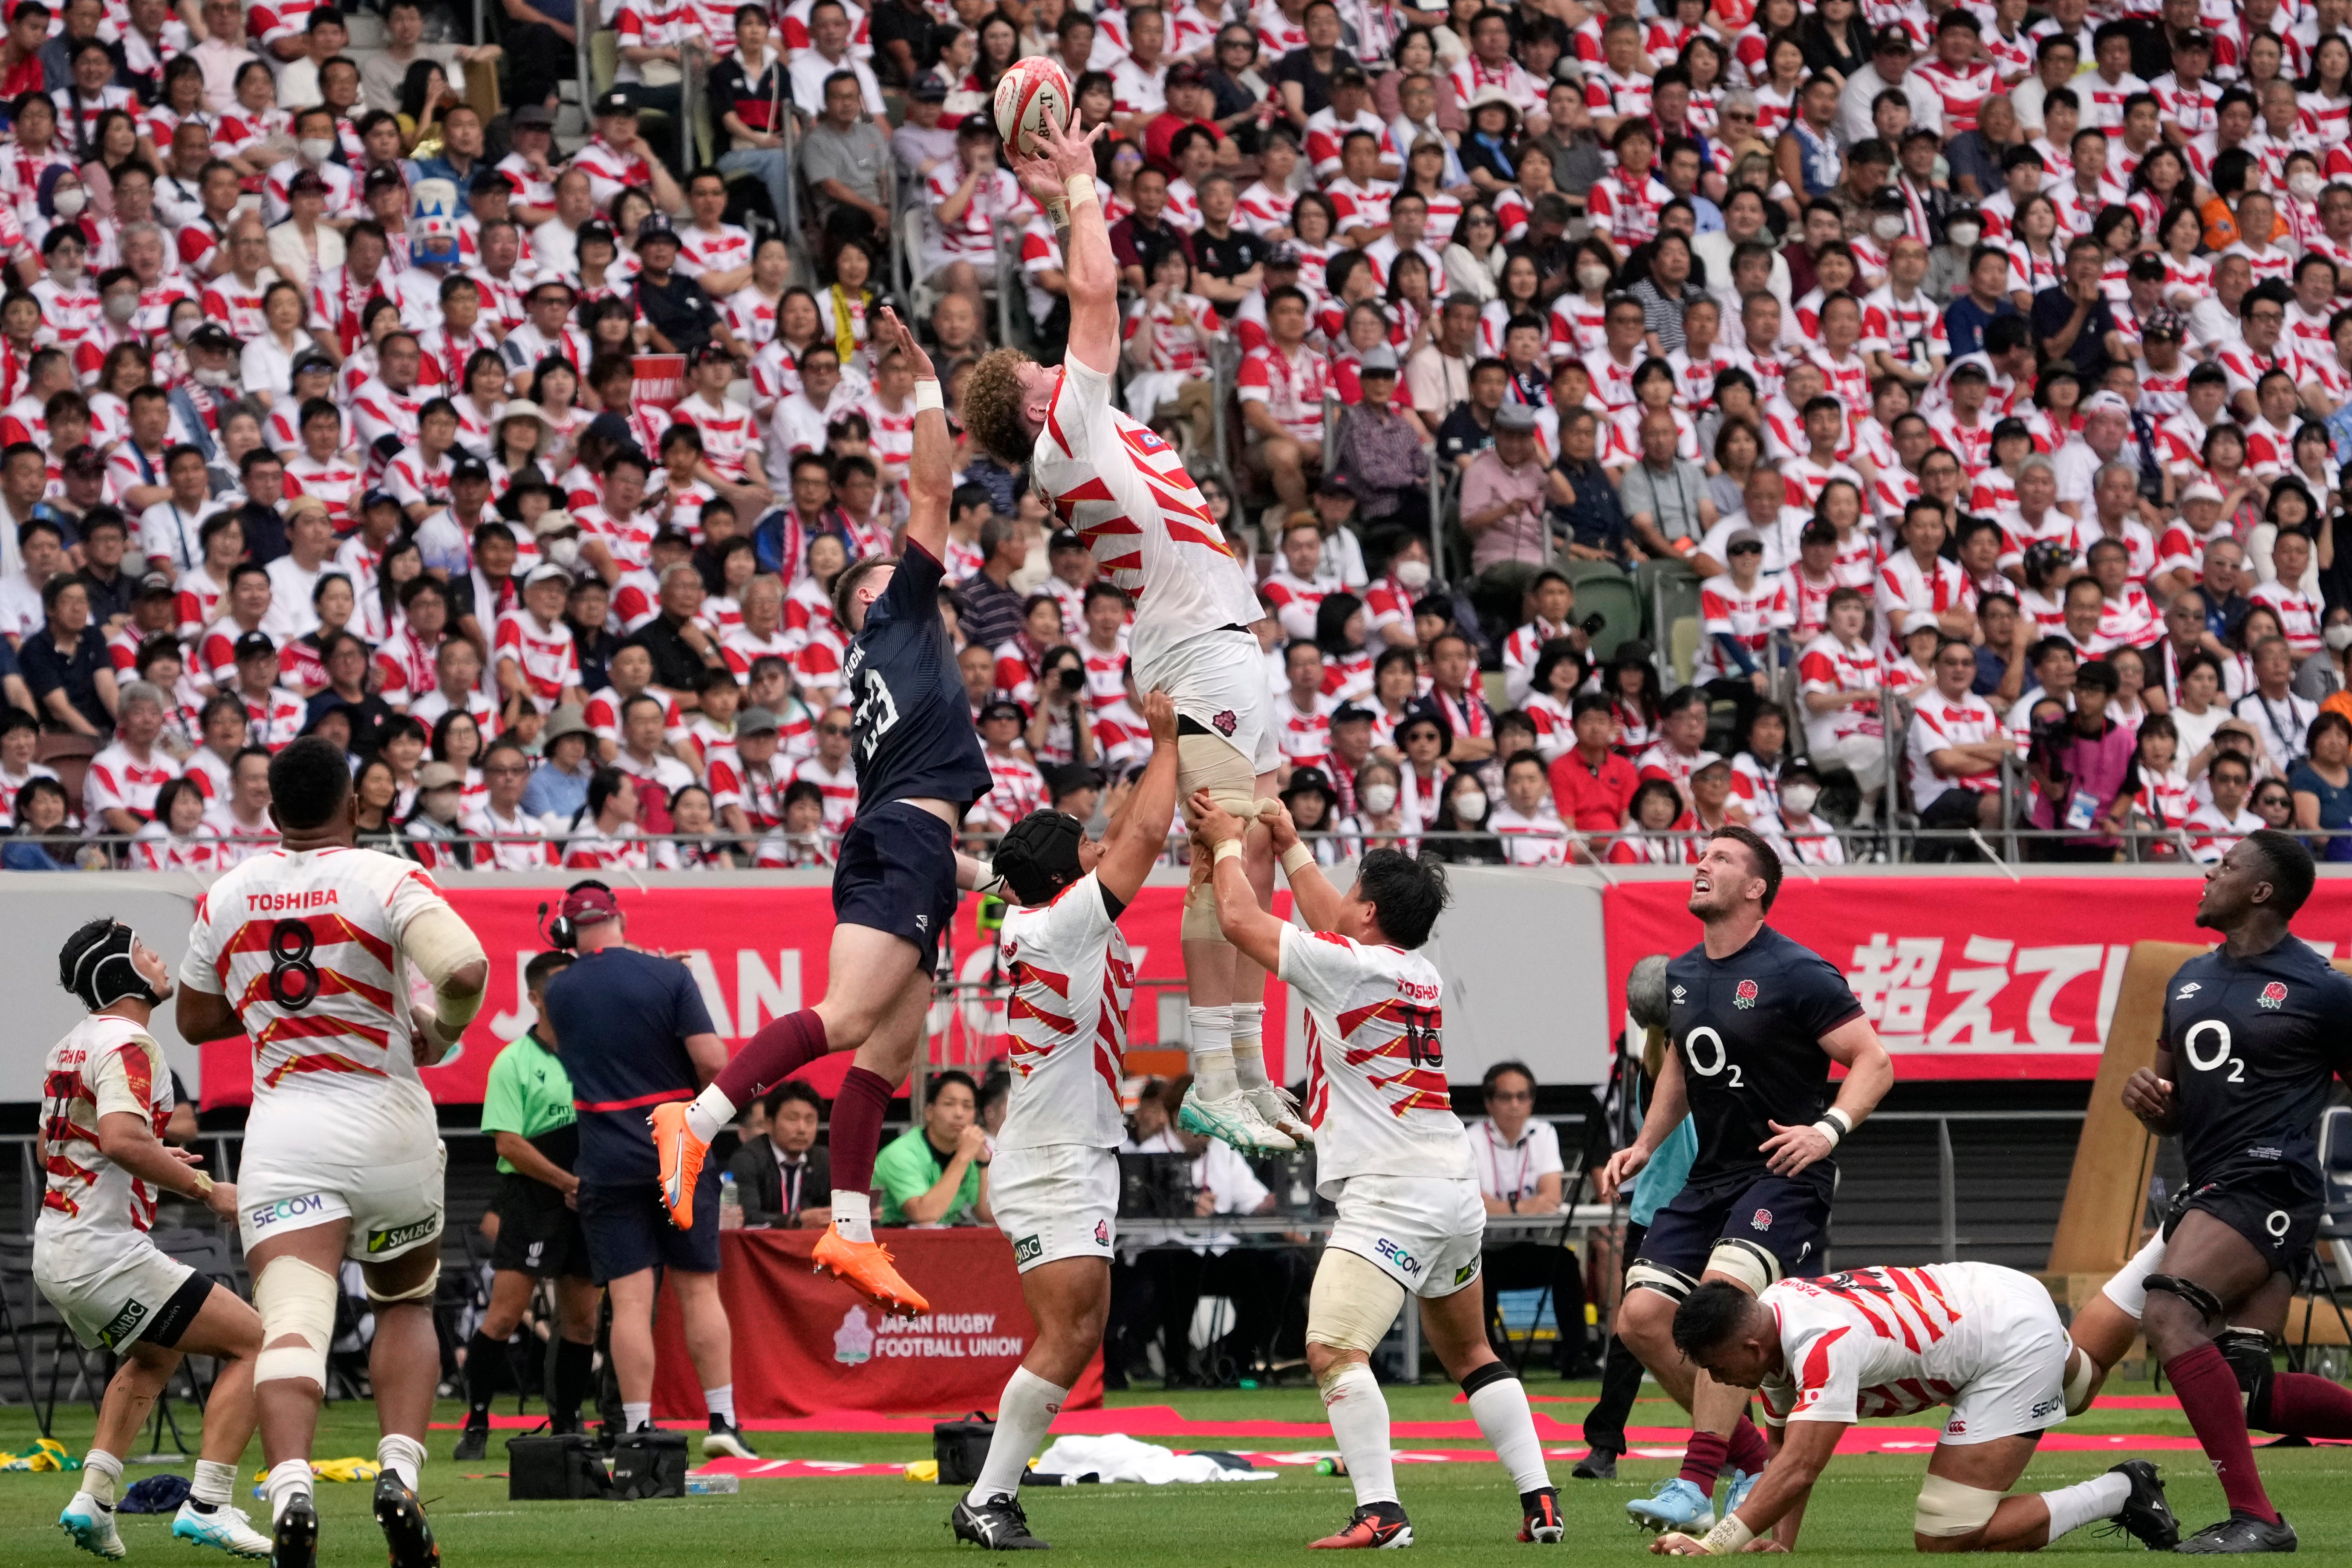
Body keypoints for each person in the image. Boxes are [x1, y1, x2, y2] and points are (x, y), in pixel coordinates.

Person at [946, 112, 1304, 1156]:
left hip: (1214, 629)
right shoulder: (1068, 433)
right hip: (1195, 643)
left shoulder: (1078, 429)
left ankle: (1246, 1067)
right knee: (1219, 851)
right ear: (1034, 409)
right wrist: (1079, 182)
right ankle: (1212, 1078)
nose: (1057, 368)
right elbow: (1098, 290)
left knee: (1258, 842)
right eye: (1040, 372)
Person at [652, 307, 995, 1320]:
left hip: (915, 844)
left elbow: (920, 815)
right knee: (844, 1020)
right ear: (869, 600)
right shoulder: (896, 614)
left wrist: (987, 877)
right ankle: (696, 1121)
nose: (911, 563)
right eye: (889, 567)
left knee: (888, 1055)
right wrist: (927, 383)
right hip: (901, 843)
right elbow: (931, 489)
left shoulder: (895, 657)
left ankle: (848, 1228)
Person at [1186, 794, 1562, 1548]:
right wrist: (1290, 844)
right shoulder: (1414, 969)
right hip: (1451, 1185)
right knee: (1470, 1352)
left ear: (1368, 911)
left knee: (1332, 1348)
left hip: (1392, 1190)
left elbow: (1238, 920)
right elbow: (1334, 922)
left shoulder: (1348, 966)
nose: (1343, 898)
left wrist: (1227, 844)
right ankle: (1540, 1500)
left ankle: (1381, 1511)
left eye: (1354, 889)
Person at [173, 737, 489, 1568]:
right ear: (355, 805)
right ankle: (398, 1475)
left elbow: (194, 1021)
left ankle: (290, 1490)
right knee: (405, 1304)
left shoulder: (227, 893)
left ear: (273, 811)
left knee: (291, 1322)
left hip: (286, 1136)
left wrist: (266, 1004)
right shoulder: (386, 875)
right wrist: (440, 1032)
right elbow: (464, 968)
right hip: (388, 1126)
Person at [1597, 825, 1894, 1538]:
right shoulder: (1681, 973)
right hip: (1709, 1177)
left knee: (1719, 1300)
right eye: (1702, 854)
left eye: (1721, 857)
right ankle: (1753, 1461)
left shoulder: (1797, 970)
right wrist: (1644, 1143)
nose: (1701, 863)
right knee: (1638, 1320)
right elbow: (1679, 1063)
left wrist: (1826, 1129)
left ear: (1756, 887)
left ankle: (1694, 1480)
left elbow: (1873, 1060)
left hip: (1781, 1174)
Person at [950, 685, 1180, 1549]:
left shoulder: (1035, 909)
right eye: (1086, 843)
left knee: (1078, 1331)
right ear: (1066, 871)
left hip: (1067, 1146)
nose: (1100, 845)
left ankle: (990, 1494)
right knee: (1070, 1331)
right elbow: (1144, 837)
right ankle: (987, 1497)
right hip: (1053, 1154)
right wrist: (1165, 743)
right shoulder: (1067, 922)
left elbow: (988, 866)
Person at [2111, 831, 2352, 1551]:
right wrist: (2150, 1102)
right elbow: (2174, 1106)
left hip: (2269, 1179)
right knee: (2243, 1386)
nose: (2207, 872)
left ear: (2259, 890)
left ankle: (2257, 1517)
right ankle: (2255, 1518)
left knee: (2166, 1312)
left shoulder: (2323, 988)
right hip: (2212, 1181)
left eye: (2224, 865)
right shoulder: (2185, 979)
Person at [1650, 1269, 2179, 1554]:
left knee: (1946, 1533)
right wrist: (1779, 1543)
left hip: (2005, 1339)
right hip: (1990, 1289)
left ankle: (2120, 1491)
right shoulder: (1772, 1315)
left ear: (1748, 1346)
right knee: (2081, 1386)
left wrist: (1715, 1545)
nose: (1716, 1379)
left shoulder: (1819, 1344)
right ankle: (2158, 1249)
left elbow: (1800, 1466)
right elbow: (1784, 1448)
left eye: (1716, 1366)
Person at [41, 918, 272, 1563]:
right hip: (103, 1252)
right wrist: (207, 1188)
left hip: (60, 1248)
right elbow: (119, 1139)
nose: (160, 958)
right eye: (143, 949)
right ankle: (209, 1504)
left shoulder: (70, 1044)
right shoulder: (130, 1041)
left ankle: (94, 1497)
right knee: (258, 1342)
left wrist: (150, 1155)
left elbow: (58, 1147)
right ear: (121, 972)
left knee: (157, 1354)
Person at [537, 881, 755, 1459]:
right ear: (622, 917)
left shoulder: (559, 991)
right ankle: (722, 1420)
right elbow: (712, 1060)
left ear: (566, 932)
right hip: (677, 1147)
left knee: (630, 1302)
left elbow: (565, 1040)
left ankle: (636, 1427)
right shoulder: (669, 976)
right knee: (699, 1290)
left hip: (606, 1158)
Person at [454, 949, 599, 1461]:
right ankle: (476, 1420)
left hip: (587, 1198)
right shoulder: (513, 1060)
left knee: (582, 1321)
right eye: (557, 985)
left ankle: (568, 1420)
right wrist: (566, 1181)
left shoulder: (598, 1053)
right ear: (534, 997)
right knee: (503, 1315)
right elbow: (508, 1143)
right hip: (534, 1198)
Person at [1469, 1060, 1591, 1375]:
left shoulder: (1543, 1132)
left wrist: (1504, 1207)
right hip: (1484, 1252)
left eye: (1522, 1097)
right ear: (1489, 1102)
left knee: (1565, 1263)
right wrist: (1526, 1206)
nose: (1514, 1105)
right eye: (1505, 1097)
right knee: (1477, 1271)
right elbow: (1473, 1204)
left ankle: (1574, 1357)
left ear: (1531, 1101)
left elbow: (1551, 1198)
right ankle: (1488, 1360)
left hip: (1525, 1247)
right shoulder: (1470, 1139)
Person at [724, 1081, 831, 1228]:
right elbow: (747, 1216)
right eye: (792, 1119)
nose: (802, 1129)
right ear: (769, 1124)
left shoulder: (824, 1161)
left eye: (810, 1120)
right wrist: (795, 1221)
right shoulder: (747, 1159)